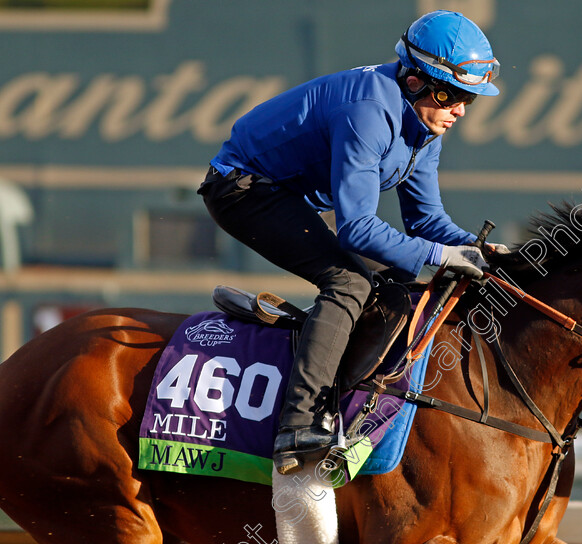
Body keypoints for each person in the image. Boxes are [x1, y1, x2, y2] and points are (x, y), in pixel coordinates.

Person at [198, 10, 501, 475]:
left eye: (469, 100)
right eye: (452, 95)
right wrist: (442, 256)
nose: (460, 110)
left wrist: (480, 254)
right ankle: (297, 424)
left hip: (284, 192)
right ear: (415, 80)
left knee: (397, 280)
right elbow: (356, 229)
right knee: (349, 283)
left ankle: (343, 393)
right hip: (241, 188)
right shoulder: (371, 110)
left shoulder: (424, 126)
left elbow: (425, 220)